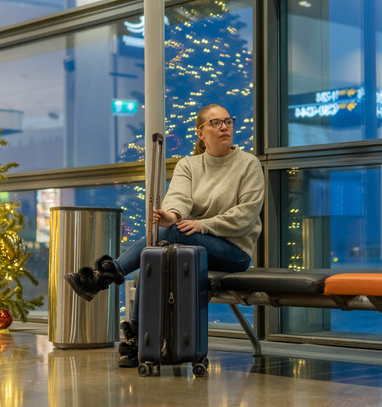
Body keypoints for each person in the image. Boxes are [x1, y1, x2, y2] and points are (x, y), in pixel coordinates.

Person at [64, 103, 264, 367]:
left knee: (170, 237)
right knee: (157, 253)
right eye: (215, 122)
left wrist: (203, 226)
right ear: (201, 133)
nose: (224, 127)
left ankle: (106, 277)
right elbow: (178, 198)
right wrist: (173, 215)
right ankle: (136, 341)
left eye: (228, 121)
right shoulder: (189, 165)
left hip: (233, 251)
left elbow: (246, 215)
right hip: (191, 242)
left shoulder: (248, 164)